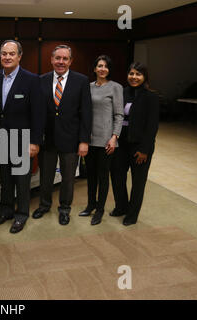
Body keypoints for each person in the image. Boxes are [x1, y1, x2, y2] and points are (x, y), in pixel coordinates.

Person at [32, 45, 92, 225]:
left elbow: (86, 113)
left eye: (65, 59)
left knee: (67, 178)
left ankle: (64, 209)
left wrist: (84, 141)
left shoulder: (81, 81)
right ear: (51, 59)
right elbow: (36, 112)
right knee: (46, 177)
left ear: (70, 61)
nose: (61, 62)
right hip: (47, 139)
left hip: (71, 140)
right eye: (57, 58)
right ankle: (44, 205)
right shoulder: (40, 80)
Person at [0, 40, 45, 233]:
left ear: (19, 56)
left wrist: (35, 142)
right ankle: (5, 211)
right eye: (4, 54)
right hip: (1, 140)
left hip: (23, 141)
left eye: (11, 54)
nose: (7, 57)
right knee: (5, 180)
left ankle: (21, 215)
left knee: (22, 181)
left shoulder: (31, 80)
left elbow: (38, 114)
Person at [110, 62, 159, 226]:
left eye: (138, 74)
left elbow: (152, 126)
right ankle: (121, 207)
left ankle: (132, 214)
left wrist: (145, 149)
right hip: (121, 143)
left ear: (144, 77)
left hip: (140, 146)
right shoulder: (122, 92)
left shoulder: (151, 96)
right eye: (131, 74)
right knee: (117, 177)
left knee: (138, 182)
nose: (134, 77)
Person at [79, 55, 124, 225]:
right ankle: (91, 205)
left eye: (105, 66)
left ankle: (100, 210)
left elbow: (119, 115)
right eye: (99, 65)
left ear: (109, 69)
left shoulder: (116, 87)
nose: (102, 69)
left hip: (107, 140)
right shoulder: (88, 87)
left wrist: (114, 137)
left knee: (103, 176)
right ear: (94, 69)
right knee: (90, 176)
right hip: (89, 139)